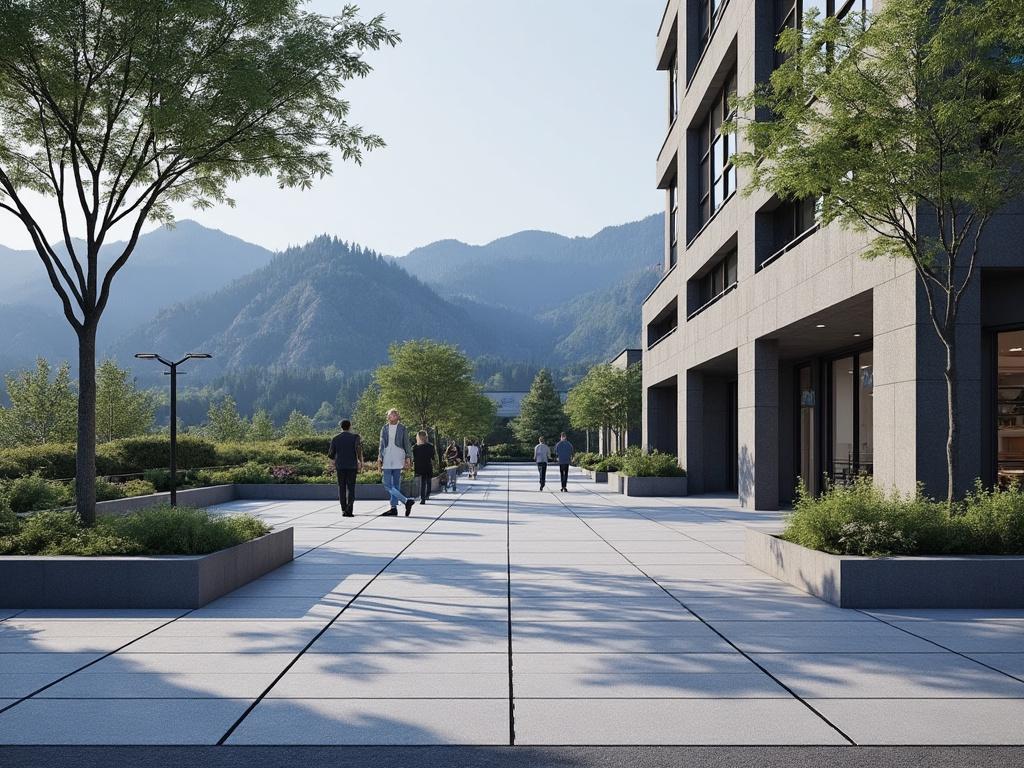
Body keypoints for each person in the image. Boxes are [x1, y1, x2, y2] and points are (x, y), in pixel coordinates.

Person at [378, 408, 415, 517]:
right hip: (387, 457)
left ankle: (393, 508)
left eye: (394, 414)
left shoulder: (402, 428)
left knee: (396, 484)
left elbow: (406, 443)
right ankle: (406, 501)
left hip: (399, 456)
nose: (391, 416)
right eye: (390, 415)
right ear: (387, 417)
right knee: (387, 483)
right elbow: (381, 444)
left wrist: (408, 457)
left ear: (398, 416)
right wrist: (380, 457)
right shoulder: (384, 428)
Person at [328, 419, 362, 516]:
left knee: (341, 487)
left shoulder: (335, 438)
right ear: (350, 426)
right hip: (352, 466)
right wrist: (360, 462)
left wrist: (333, 463)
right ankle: (349, 509)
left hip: (340, 466)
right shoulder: (355, 437)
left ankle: (343, 509)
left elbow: (331, 455)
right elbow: (358, 451)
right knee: (351, 488)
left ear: (341, 427)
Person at [413, 430, 435, 504]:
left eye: (423, 436)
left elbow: (432, 457)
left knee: (428, 481)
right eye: (421, 436)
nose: (422, 437)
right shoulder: (415, 447)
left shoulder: (430, 446)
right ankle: (423, 498)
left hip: (427, 466)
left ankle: (427, 494)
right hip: (420, 466)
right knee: (423, 482)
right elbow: (414, 459)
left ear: (426, 437)